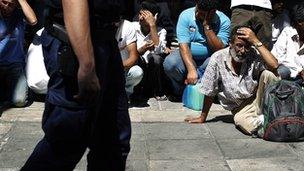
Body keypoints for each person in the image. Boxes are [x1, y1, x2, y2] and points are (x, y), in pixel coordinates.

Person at [21, 0, 131, 170]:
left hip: (106, 40)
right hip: (77, 44)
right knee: (66, 140)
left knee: (112, 141)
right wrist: (86, 63)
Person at [185, 27, 279, 136]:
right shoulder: (218, 58)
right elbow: (210, 91)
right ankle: (271, 123)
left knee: (269, 74)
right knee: (242, 122)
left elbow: (274, 65)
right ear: (230, 44)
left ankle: (275, 116)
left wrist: (256, 41)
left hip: (259, 99)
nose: (243, 51)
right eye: (239, 45)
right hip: (241, 109)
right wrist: (203, 117)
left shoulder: (252, 54)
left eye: (247, 46)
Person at [163, 0, 230, 100]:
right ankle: (180, 90)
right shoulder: (185, 15)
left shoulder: (224, 21)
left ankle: (205, 93)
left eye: (202, 14)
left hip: (209, 59)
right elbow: (183, 46)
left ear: (212, 12)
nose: (198, 14)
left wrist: (207, 26)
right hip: (188, 55)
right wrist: (191, 70)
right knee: (171, 62)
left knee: (217, 61)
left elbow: (218, 49)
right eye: (197, 10)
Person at [0, 0, 37, 110]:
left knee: (20, 101)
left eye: (11, 4)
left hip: (15, 65)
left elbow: (33, 20)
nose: (6, 7)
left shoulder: (19, 15)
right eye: (4, 2)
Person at [133, 0, 168, 100]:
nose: (140, 18)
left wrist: (152, 25)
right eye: (140, 14)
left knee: (156, 58)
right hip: (138, 67)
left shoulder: (161, 31)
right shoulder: (133, 27)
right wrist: (142, 49)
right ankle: (137, 92)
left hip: (152, 71)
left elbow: (158, 51)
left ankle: (158, 90)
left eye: (144, 15)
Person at [271, 2, 304, 83]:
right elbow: (276, 57)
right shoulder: (287, 32)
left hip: (300, 77)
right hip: (288, 74)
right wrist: (298, 70)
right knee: (282, 72)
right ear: (299, 22)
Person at [116, 19, 144, 97]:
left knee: (137, 72)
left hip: (123, 68)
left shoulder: (127, 26)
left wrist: (115, 67)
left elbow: (133, 58)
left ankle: (125, 94)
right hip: (103, 68)